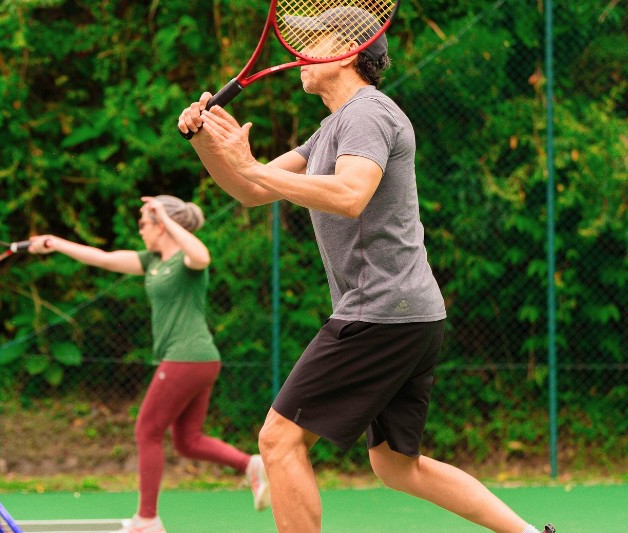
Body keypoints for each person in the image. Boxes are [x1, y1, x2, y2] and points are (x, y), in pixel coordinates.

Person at [178, 7, 555, 533]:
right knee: (397, 465)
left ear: (350, 52)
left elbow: (351, 194)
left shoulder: (368, 114)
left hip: (381, 311)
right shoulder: (334, 127)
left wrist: (248, 165)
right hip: (410, 314)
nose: (299, 53)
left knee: (279, 440)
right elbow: (252, 191)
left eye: (315, 41)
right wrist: (204, 142)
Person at [27, 195, 270, 533]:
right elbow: (105, 258)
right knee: (187, 441)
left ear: (160, 224)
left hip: (187, 357)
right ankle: (251, 465)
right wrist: (55, 243)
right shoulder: (152, 261)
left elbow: (202, 255)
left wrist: (165, 218)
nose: (139, 230)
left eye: (143, 222)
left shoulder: (187, 261)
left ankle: (147, 519)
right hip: (198, 360)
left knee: (146, 430)